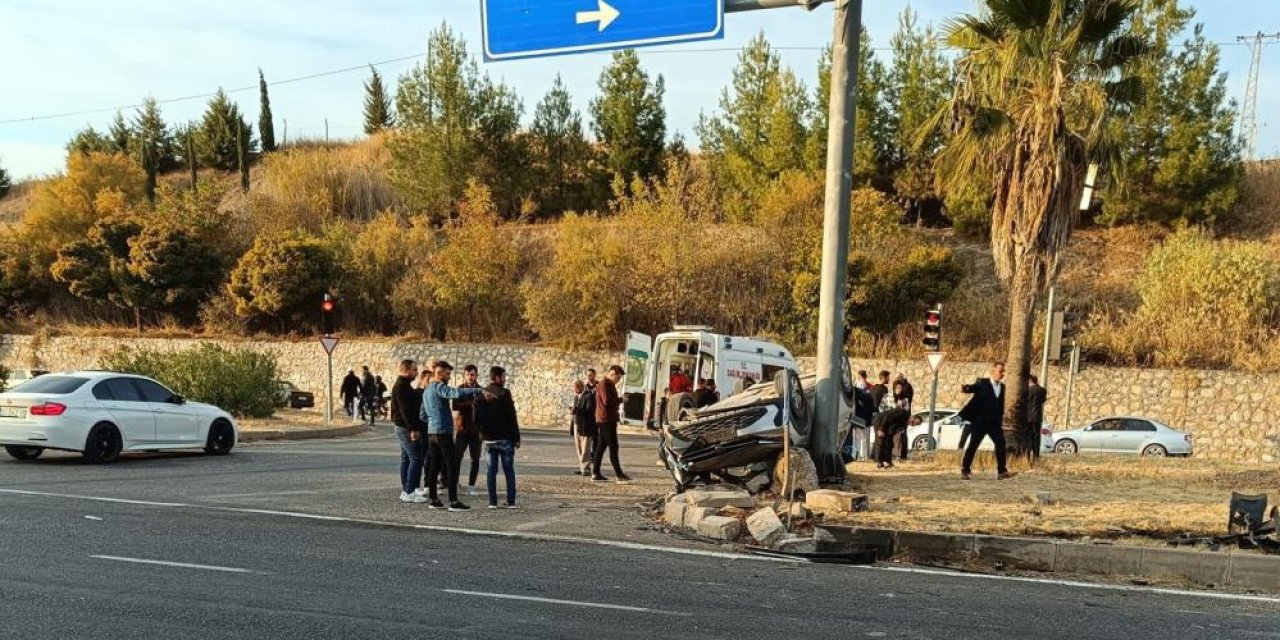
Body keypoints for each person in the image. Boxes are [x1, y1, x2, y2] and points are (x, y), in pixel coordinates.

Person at [420, 361, 491, 511]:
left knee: (434, 466)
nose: (449, 377)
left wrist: (433, 421)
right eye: (447, 374)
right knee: (451, 466)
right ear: (439, 373)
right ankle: (453, 501)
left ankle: (434, 499)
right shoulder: (439, 386)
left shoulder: (426, 390)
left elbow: (422, 414)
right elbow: (455, 393)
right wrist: (478, 390)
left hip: (432, 432)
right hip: (443, 432)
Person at [959, 362, 1015, 480]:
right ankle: (965, 470)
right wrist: (966, 388)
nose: (1003, 374)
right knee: (973, 445)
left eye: (1004, 371)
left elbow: (1000, 405)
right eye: (1000, 371)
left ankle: (1002, 471)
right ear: (993, 372)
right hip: (980, 422)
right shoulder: (982, 382)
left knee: (1001, 443)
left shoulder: (1002, 387)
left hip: (994, 423)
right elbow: (972, 388)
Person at [475, 366, 521, 509]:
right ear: (497, 377)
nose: (505, 379)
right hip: (505, 438)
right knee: (509, 471)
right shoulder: (505, 393)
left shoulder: (481, 394)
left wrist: (481, 433)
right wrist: (516, 438)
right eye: (503, 376)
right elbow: (511, 417)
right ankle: (511, 501)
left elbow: (475, 418)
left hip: (489, 439)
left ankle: (492, 502)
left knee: (491, 471)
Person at [389, 360, 428, 503]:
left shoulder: (404, 386)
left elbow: (412, 400)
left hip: (403, 426)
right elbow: (406, 411)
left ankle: (406, 490)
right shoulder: (401, 387)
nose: (416, 372)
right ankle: (409, 491)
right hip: (405, 427)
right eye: (413, 370)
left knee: (406, 458)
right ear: (405, 370)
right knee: (416, 458)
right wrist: (414, 429)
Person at [592, 365, 630, 482]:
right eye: (618, 378)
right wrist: (621, 400)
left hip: (607, 419)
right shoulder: (605, 384)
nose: (618, 380)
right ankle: (619, 475)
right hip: (605, 420)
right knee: (613, 446)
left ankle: (595, 473)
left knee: (601, 447)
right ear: (612, 374)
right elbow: (607, 401)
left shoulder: (608, 384)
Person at [453, 364, 484, 496]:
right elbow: (455, 405)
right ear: (464, 376)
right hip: (462, 429)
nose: (470, 377)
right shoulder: (460, 389)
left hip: (476, 431)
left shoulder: (481, 390)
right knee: (457, 457)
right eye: (467, 374)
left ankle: (471, 486)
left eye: (472, 374)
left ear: (476, 375)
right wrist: (469, 403)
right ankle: (453, 483)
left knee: (475, 459)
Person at [570, 380, 597, 476]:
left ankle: (586, 469)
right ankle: (582, 467)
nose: (575, 390)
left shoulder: (589, 396)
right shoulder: (576, 397)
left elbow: (589, 410)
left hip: (586, 425)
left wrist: (576, 410)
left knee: (585, 448)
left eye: (576, 388)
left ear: (581, 387)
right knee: (579, 448)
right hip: (577, 424)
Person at [1026, 374, 1048, 455]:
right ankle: (1036, 455)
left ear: (1030, 380)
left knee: (1028, 436)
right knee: (1037, 436)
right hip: (1038, 416)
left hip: (1028, 416)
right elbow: (1043, 400)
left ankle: (1027, 454)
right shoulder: (1043, 390)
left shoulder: (1028, 390)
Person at [891, 381, 911, 461]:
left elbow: (907, 410)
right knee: (891, 439)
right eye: (898, 388)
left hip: (900, 422)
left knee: (899, 439)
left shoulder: (905, 399)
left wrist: (900, 407)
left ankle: (898, 456)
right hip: (890, 421)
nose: (899, 390)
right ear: (894, 388)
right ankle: (890, 455)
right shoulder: (889, 397)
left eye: (900, 388)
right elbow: (883, 408)